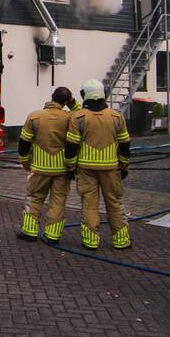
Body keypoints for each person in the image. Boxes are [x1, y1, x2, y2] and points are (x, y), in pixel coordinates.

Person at [65, 78, 131, 250]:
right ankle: (121, 240)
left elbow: (71, 146)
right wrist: (124, 166)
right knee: (115, 203)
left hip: (86, 170)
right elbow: (125, 146)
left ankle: (90, 240)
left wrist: (71, 167)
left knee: (89, 205)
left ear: (84, 95)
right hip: (111, 168)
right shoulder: (117, 117)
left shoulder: (78, 118)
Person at [17, 87, 73, 244]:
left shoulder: (35, 116)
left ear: (52, 97)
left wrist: (25, 161)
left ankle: (29, 231)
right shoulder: (70, 118)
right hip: (62, 169)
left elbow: (24, 142)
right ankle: (52, 235)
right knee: (58, 201)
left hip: (39, 168)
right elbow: (82, 120)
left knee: (34, 198)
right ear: (66, 102)